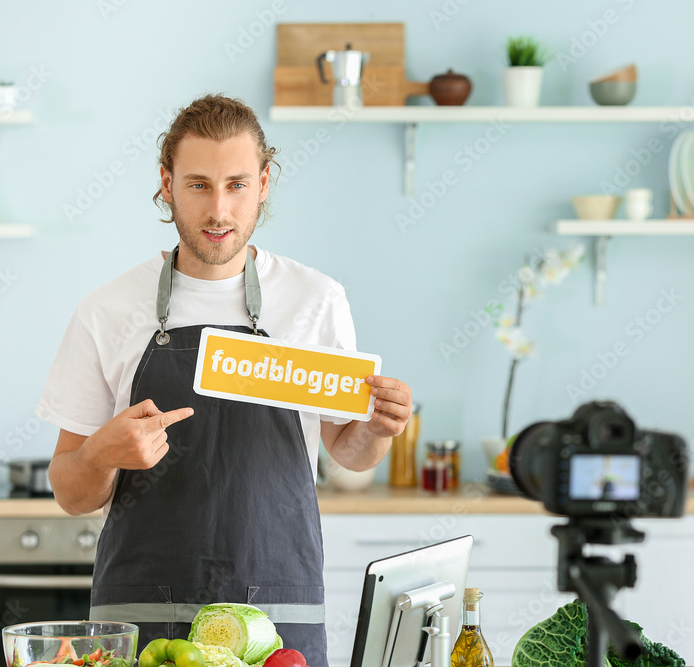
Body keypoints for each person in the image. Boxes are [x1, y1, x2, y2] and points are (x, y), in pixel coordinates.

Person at [37, 94, 413, 663]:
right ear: (166, 184)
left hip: (276, 616)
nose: (219, 210)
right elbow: (69, 490)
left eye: (237, 185)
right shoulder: (108, 310)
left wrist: (381, 427)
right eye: (198, 185)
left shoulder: (315, 300)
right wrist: (100, 454)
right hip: (143, 616)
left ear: (264, 183)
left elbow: (350, 453)